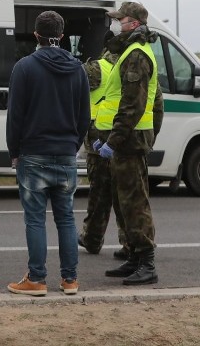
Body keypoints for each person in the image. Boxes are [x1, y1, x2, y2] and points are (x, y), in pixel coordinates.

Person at [6, 11, 90, 297]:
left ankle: (37, 279)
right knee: (66, 217)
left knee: (35, 219)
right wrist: (72, 145)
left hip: (33, 153)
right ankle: (70, 280)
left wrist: (14, 151)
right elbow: (84, 116)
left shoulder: (24, 68)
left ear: (36, 35)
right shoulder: (77, 69)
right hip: (65, 153)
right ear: (62, 36)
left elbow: (15, 115)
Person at [94, 2, 164, 285]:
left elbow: (132, 105)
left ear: (133, 23)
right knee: (124, 202)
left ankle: (146, 262)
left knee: (135, 203)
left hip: (128, 141)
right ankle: (134, 258)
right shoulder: (129, 52)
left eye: (120, 19)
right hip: (126, 140)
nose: (116, 24)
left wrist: (115, 139)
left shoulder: (136, 55)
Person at [77, 36, 130, 259]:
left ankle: (93, 237)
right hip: (124, 137)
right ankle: (130, 243)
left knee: (99, 193)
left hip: (99, 138)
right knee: (124, 195)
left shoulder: (96, 68)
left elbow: (72, 87)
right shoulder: (130, 64)